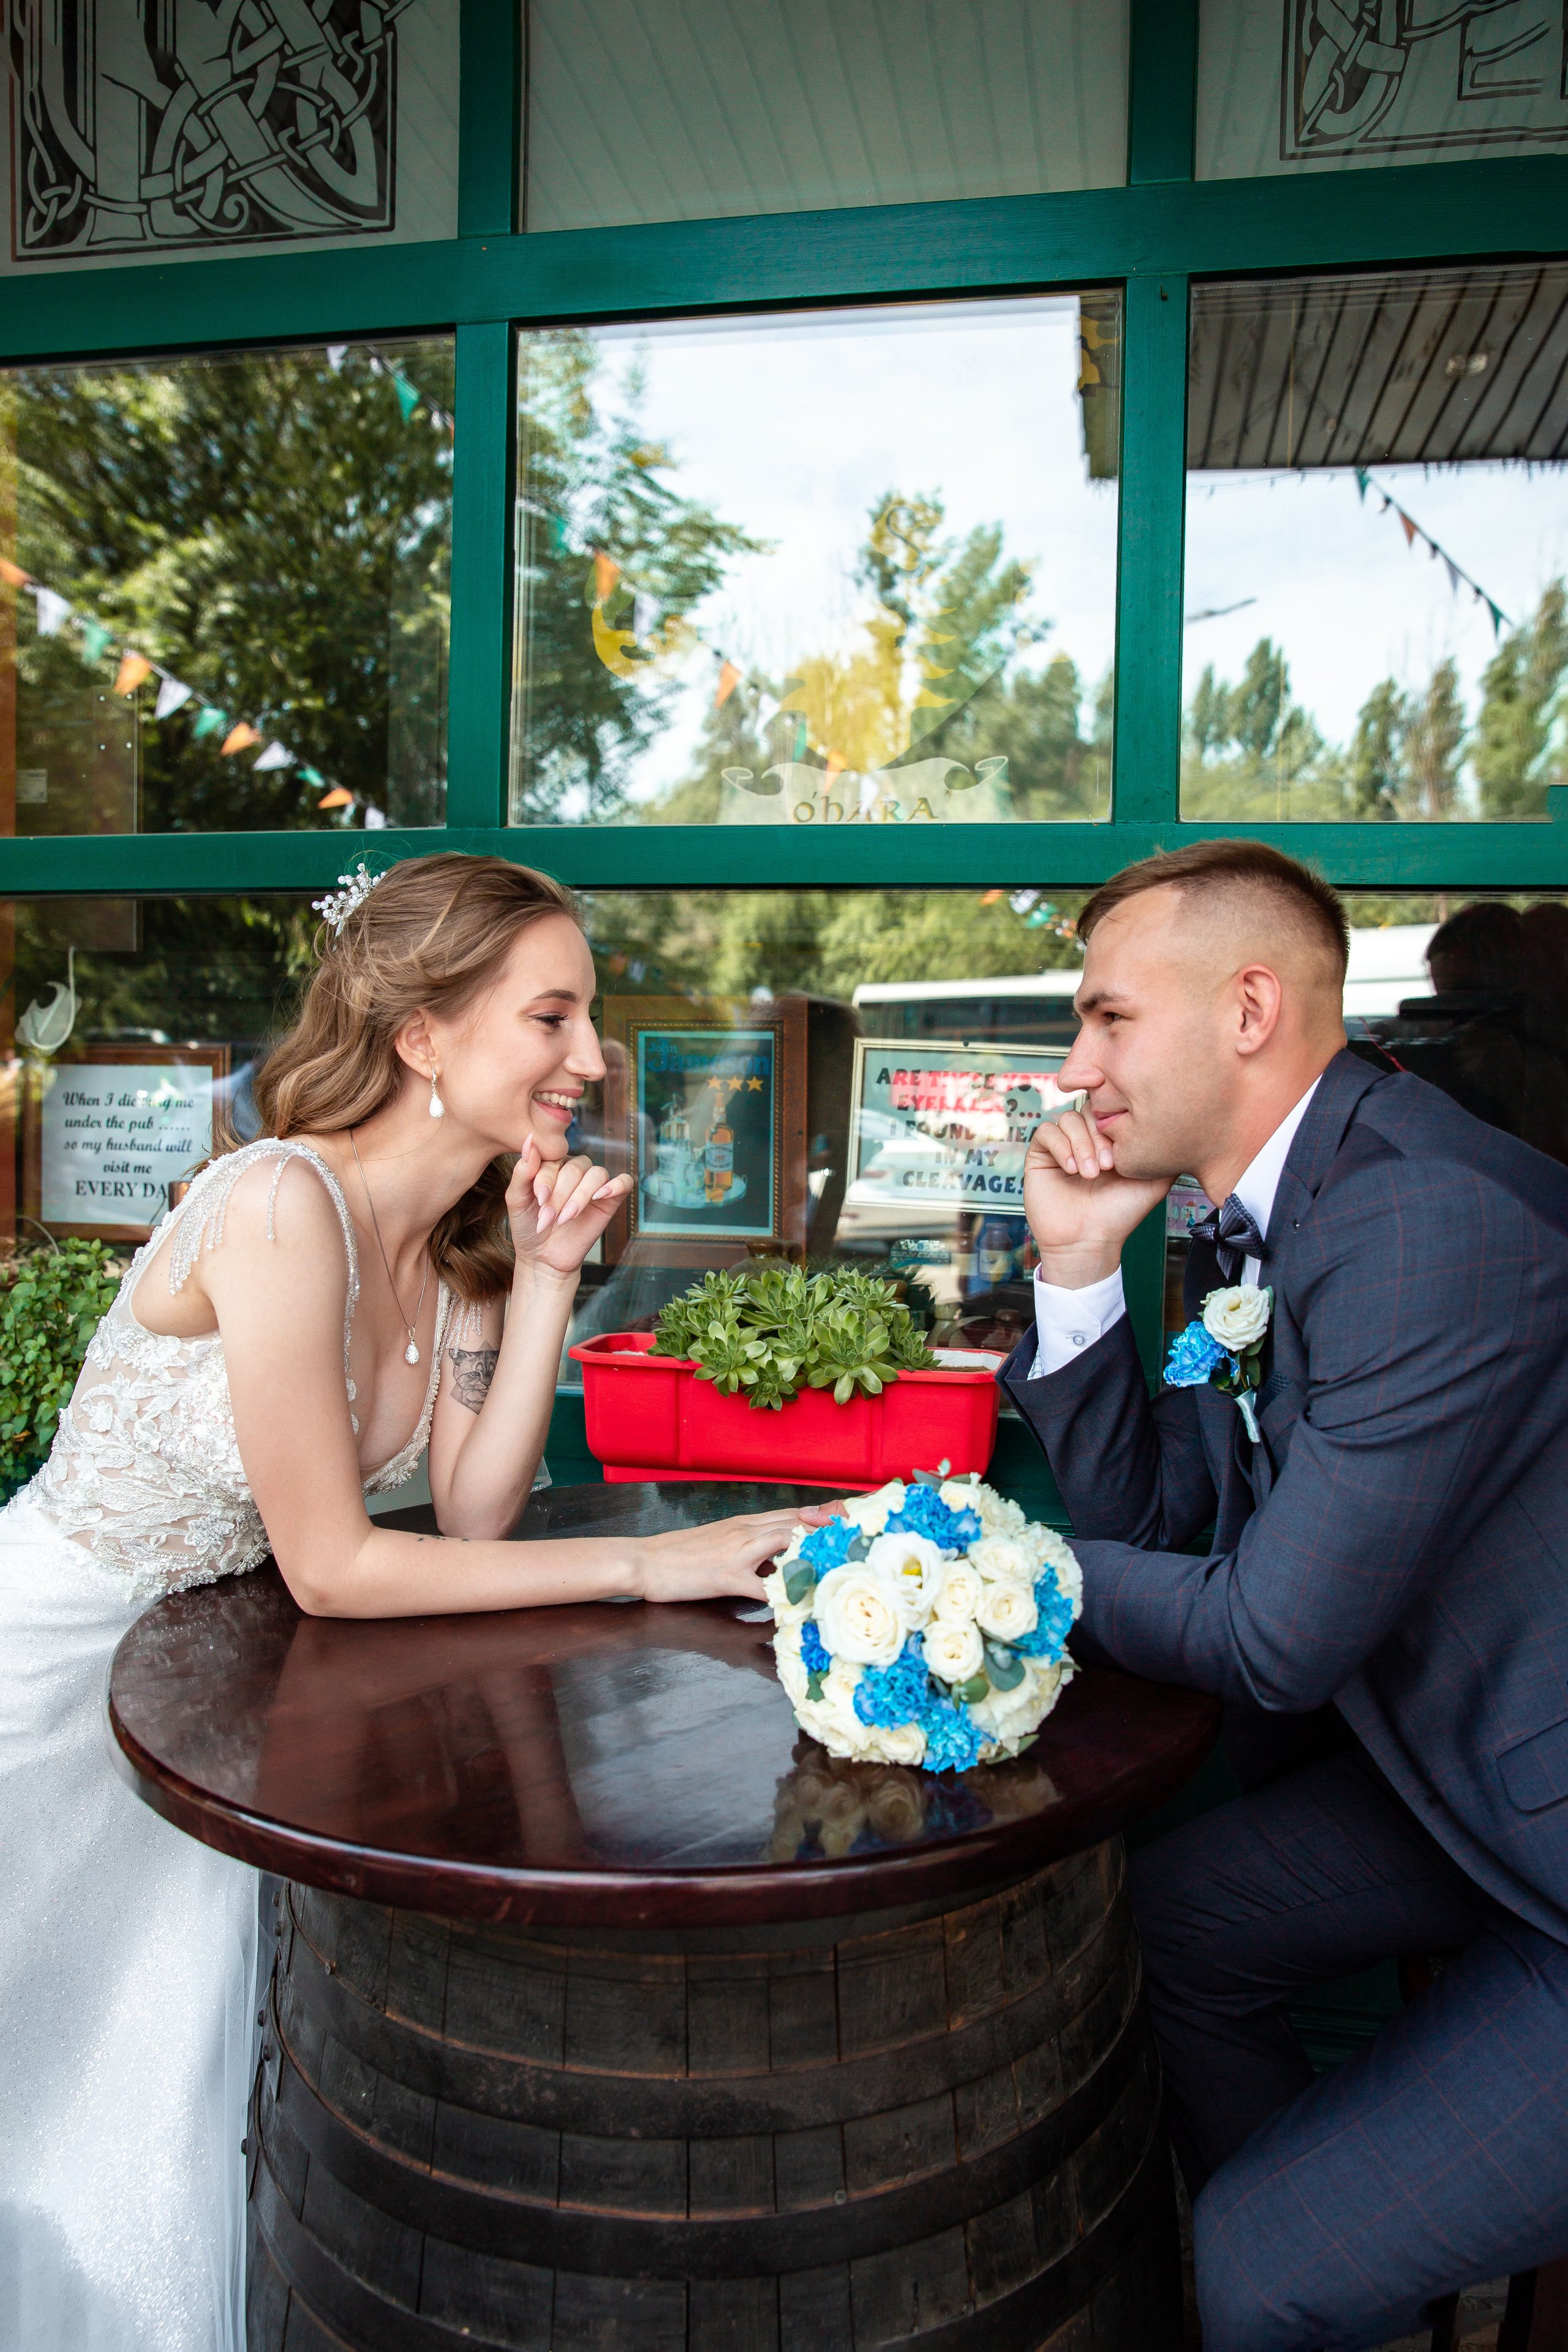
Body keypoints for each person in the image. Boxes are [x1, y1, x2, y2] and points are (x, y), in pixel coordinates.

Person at [0, 852, 826, 2352]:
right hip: (44, 1679)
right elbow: (335, 1566)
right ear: (422, 1037)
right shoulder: (275, 1203)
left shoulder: (456, 1258)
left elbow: (469, 1511)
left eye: (589, 1019)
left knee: (135, 2103)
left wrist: (549, 1275)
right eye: (551, 1016)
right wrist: (651, 1560)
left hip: (193, 1706)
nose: (591, 1057)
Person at [999, 839, 1568, 2352]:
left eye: (1108, 1016)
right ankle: (1334, 2248)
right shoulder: (1241, 1218)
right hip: (1465, 1783)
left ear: (1247, 1008)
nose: (1076, 1061)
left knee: (1255, 2266)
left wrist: (1006, 1567)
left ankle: (1285, 2269)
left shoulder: (1414, 1219)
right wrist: (1071, 1276)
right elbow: (1174, 1524)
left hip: (1549, 1857)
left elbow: (1267, 1635)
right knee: (1178, 1916)